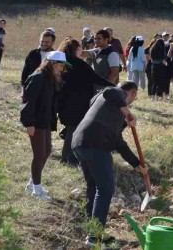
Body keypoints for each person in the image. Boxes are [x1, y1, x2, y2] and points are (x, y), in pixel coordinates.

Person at [72, 82, 148, 247]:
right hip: (95, 146)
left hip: (80, 143)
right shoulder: (115, 93)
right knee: (105, 189)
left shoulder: (110, 108)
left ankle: (93, 231)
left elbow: (118, 142)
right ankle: (94, 237)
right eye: (134, 97)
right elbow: (110, 91)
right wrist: (128, 113)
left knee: (94, 188)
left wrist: (136, 163)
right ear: (133, 93)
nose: (131, 101)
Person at [57, 38, 115, 166]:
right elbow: (95, 78)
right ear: (76, 49)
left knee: (71, 128)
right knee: (74, 130)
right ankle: (68, 158)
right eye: (79, 47)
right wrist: (114, 86)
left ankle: (68, 157)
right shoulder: (79, 64)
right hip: (78, 103)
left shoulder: (62, 62)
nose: (81, 50)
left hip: (64, 102)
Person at [20, 50, 70, 201]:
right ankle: (37, 191)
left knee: (47, 151)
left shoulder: (51, 79)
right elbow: (28, 102)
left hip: (46, 120)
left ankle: (32, 183)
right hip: (35, 122)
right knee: (39, 154)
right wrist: (29, 123)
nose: (62, 69)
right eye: (60, 66)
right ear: (52, 63)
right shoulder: (37, 78)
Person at [149, 36, 167, 101]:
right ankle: (159, 96)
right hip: (160, 66)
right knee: (160, 82)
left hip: (153, 66)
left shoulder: (152, 49)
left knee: (154, 82)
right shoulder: (162, 49)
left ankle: (152, 97)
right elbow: (163, 60)